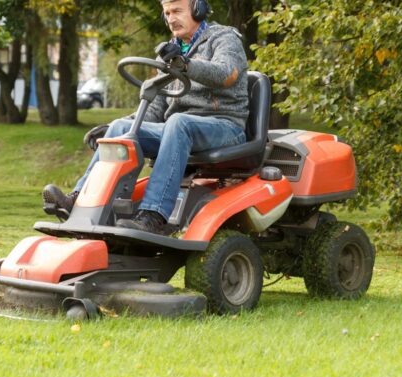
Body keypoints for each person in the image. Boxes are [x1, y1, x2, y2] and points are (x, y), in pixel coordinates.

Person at [43, 0, 249, 235]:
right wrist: (114, 128)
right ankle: (79, 201)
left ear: (198, 10)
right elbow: (155, 107)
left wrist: (186, 64)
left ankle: (153, 215)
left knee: (177, 123)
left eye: (177, 11)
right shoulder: (171, 51)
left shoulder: (223, 38)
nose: (171, 19)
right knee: (122, 126)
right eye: (167, 13)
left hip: (225, 125)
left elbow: (226, 74)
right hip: (179, 129)